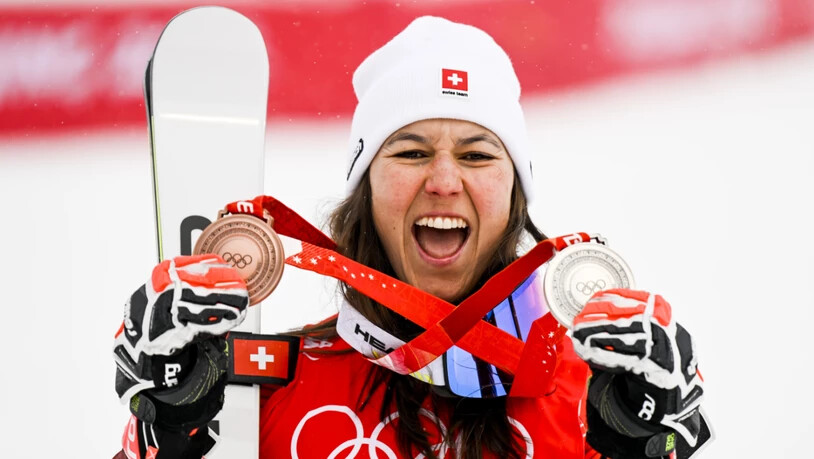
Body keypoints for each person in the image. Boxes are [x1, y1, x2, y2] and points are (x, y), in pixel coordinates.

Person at [112, 16, 710, 459]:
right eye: (411, 151)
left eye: (477, 155)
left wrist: (652, 445)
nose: (444, 181)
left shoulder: (592, 399)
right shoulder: (269, 391)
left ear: (514, 196)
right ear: (366, 190)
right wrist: (167, 428)